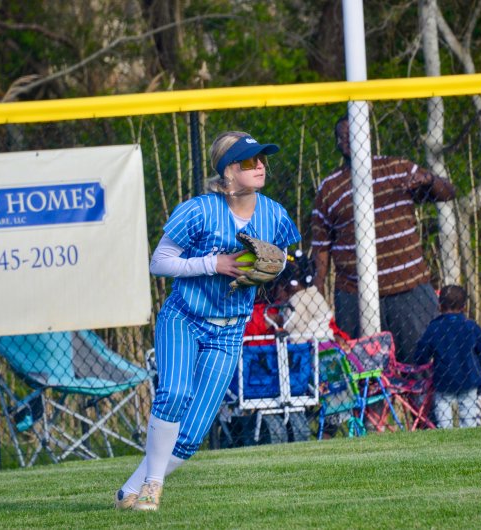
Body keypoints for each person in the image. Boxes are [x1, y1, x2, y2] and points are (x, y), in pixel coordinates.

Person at [115, 131, 301, 511]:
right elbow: (159, 262)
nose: (260, 166)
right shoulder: (199, 210)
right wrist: (213, 263)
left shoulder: (274, 214)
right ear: (228, 171)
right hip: (185, 317)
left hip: (229, 330)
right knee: (174, 394)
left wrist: (274, 265)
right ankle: (152, 486)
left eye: (262, 159)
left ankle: (130, 489)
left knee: (193, 433)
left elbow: (282, 257)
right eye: (249, 160)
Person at [311, 114, 456, 363]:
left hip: (409, 288)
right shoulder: (329, 188)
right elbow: (321, 247)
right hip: (355, 296)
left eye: (353, 134)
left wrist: (429, 180)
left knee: (421, 365)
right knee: (361, 370)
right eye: (342, 137)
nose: (348, 141)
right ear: (337, 144)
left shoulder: (397, 169)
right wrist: (318, 296)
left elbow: (448, 192)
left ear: (367, 137)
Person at [412, 285, 481, 428]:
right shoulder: (470, 326)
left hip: (444, 380)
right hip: (468, 378)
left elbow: (422, 351)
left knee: (444, 416)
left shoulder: (434, 327)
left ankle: (446, 435)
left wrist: (421, 361)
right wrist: (479, 365)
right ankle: (469, 437)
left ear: (440, 306)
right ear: (464, 307)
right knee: (469, 417)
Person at [272, 249, 334, 342]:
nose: (279, 290)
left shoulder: (297, 300)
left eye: (281, 285)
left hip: (310, 342)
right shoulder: (310, 293)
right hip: (319, 339)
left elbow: (292, 329)